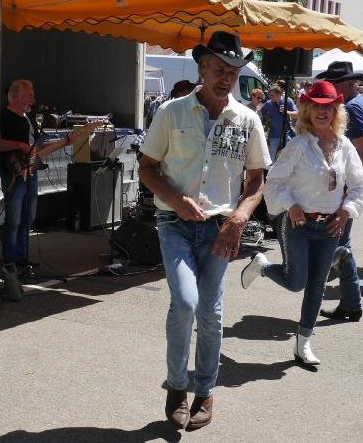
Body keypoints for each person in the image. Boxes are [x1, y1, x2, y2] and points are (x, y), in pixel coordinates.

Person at [138, 31, 270, 431]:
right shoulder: (171, 112)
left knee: (211, 314)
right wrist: (176, 200)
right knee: (185, 302)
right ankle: (177, 387)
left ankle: (206, 392)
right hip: (174, 224)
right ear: (201, 67)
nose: (225, 78)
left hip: (221, 230)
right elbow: (146, 168)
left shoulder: (247, 119)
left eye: (232, 71)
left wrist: (239, 218)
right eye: (218, 69)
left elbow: (256, 180)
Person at [240, 81, 363, 365]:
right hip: (297, 222)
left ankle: (303, 343)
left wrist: (346, 211)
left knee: (317, 287)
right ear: (308, 110)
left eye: (328, 107)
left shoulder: (345, 146)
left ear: (336, 111)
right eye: (316, 107)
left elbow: (360, 184)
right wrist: (292, 205)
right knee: (297, 281)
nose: (322, 112)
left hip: (331, 226)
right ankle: (262, 266)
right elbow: (274, 181)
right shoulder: (299, 145)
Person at [0, 79, 100, 282]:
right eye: (29, 95)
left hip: (30, 172)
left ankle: (21, 259)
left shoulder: (29, 118)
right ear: (15, 96)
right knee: (13, 218)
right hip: (13, 172)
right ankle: (9, 261)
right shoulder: (2, 116)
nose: (33, 99)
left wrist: (67, 141)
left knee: (28, 216)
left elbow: (37, 149)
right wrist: (20, 145)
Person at [314, 61, 363, 323]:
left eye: (334, 83)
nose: (329, 88)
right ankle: (351, 302)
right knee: (341, 246)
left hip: (345, 194)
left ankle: (352, 303)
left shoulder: (352, 108)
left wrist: (345, 190)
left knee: (340, 246)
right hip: (346, 192)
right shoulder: (360, 104)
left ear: (347, 84)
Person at [261, 84, 298, 162]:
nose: (270, 97)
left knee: (289, 159)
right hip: (274, 136)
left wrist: (287, 112)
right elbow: (261, 114)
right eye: (269, 95)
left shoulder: (288, 101)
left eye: (272, 95)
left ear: (279, 94)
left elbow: (297, 115)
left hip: (287, 135)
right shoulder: (268, 104)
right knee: (272, 159)